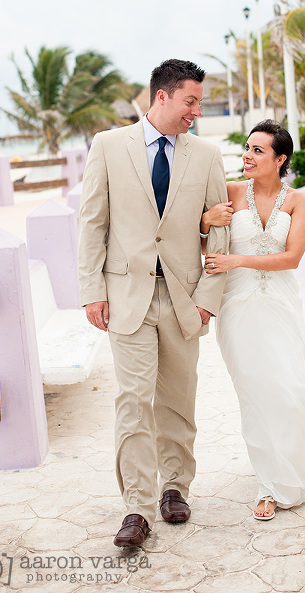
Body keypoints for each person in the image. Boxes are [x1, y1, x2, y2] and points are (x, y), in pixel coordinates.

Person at [78, 59, 229, 547]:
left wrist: (208, 297)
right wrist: (92, 291)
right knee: (132, 401)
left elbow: (219, 228)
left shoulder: (205, 155)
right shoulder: (107, 146)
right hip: (127, 298)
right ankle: (138, 508)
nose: (196, 111)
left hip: (184, 299)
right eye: (190, 101)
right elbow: (92, 223)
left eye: (199, 103)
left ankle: (174, 488)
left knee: (177, 403)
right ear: (161, 96)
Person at [201, 120, 305, 520]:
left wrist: (236, 259)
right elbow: (197, 234)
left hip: (280, 302)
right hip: (236, 306)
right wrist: (205, 222)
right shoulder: (230, 193)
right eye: (247, 148)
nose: (247, 156)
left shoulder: (299, 200)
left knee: (292, 385)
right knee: (256, 394)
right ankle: (270, 483)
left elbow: (292, 259)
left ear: (280, 159)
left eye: (258, 151)